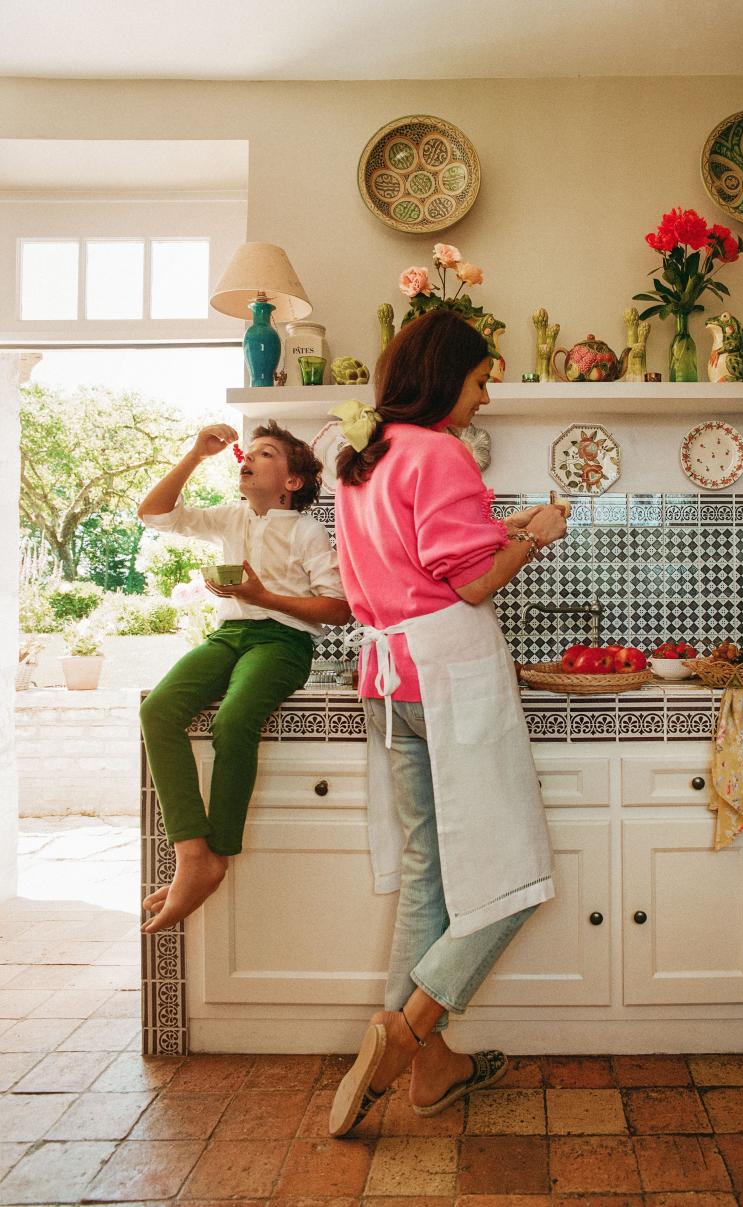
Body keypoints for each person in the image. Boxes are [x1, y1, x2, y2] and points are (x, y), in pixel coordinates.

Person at [327, 308, 567, 1136]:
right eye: (479, 379)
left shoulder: (361, 458)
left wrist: (500, 533)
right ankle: (406, 1029)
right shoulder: (440, 451)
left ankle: (428, 1070)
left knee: (430, 869)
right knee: (515, 873)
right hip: (450, 672)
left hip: (389, 676)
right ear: (443, 377)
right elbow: (468, 585)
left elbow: (419, 561)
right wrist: (535, 533)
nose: (487, 395)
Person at [138, 419, 351, 933]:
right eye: (247, 452)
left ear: (291, 482)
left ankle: (218, 853)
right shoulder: (231, 518)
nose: (247, 457)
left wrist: (263, 598)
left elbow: (338, 608)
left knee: (233, 722)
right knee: (157, 711)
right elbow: (154, 514)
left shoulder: (306, 529)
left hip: (282, 641)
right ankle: (194, 854)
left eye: (266, 452)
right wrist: (195, 454)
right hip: (228, 637)